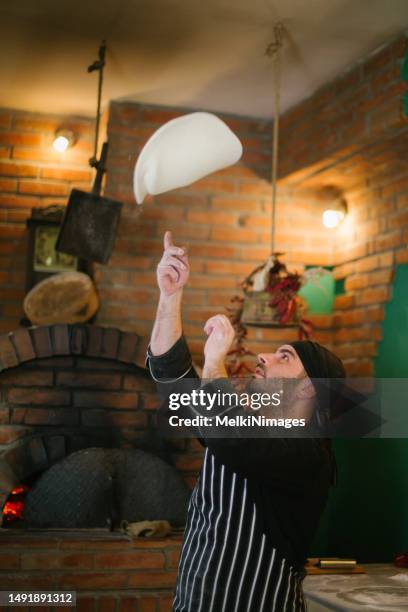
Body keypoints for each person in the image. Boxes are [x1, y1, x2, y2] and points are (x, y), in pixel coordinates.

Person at [146, 231, 344, 612]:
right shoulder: (238, 421)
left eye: (285, 357)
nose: (265, 356)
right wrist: (169, 297)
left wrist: (216, 363)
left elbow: (237, 441)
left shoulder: (308, 455)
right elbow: (173, 381)